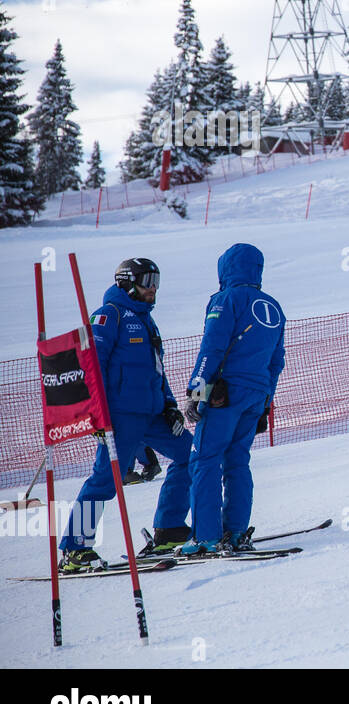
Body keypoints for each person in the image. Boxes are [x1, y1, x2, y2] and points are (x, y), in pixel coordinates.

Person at [57, 258, 194, 571]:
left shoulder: (147, 321)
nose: (153, 288)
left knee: (192, 455)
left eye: (157, 280)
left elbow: (156, 371)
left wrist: (170, 404)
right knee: (107, 478)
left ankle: (170, 528)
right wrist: (95, 413)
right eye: (147, 280)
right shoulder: (110, 316)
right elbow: (90, 366)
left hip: (153, 413)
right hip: (120, 416)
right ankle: (75, 548)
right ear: (127, 282)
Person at [181, 244, 285, 554]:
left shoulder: (225, 300)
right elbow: (276, 361)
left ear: (225, 269)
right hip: (257, 394)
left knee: (205, 460)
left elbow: (211, 349)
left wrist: (197, 393)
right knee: (238, 461)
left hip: (224, 395)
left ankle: (206, 537)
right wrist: (266, 403)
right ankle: (236, 532)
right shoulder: (274, 307)